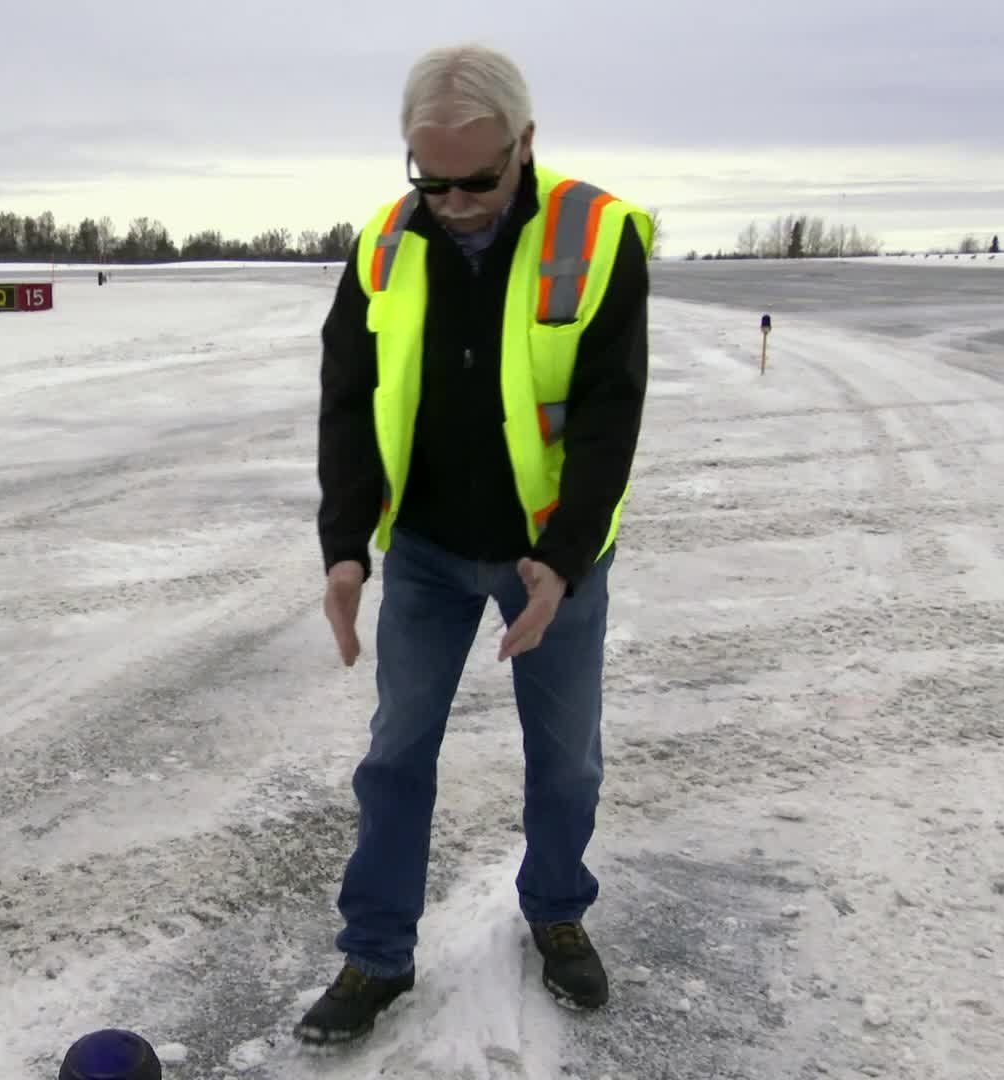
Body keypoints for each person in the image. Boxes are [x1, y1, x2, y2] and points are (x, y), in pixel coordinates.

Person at [295, 42, 653, 1045]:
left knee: (566, 760)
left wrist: (566, 556)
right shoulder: (381, 246)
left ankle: (557, 910)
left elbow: (606, 414)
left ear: (525, 143)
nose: (452, 200)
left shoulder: (598, 235)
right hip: (429, 554)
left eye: (478, 178)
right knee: (396, 754)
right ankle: (376, 956)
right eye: (431, 177)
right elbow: (350, 406)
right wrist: (345, 546)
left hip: (555, 555)